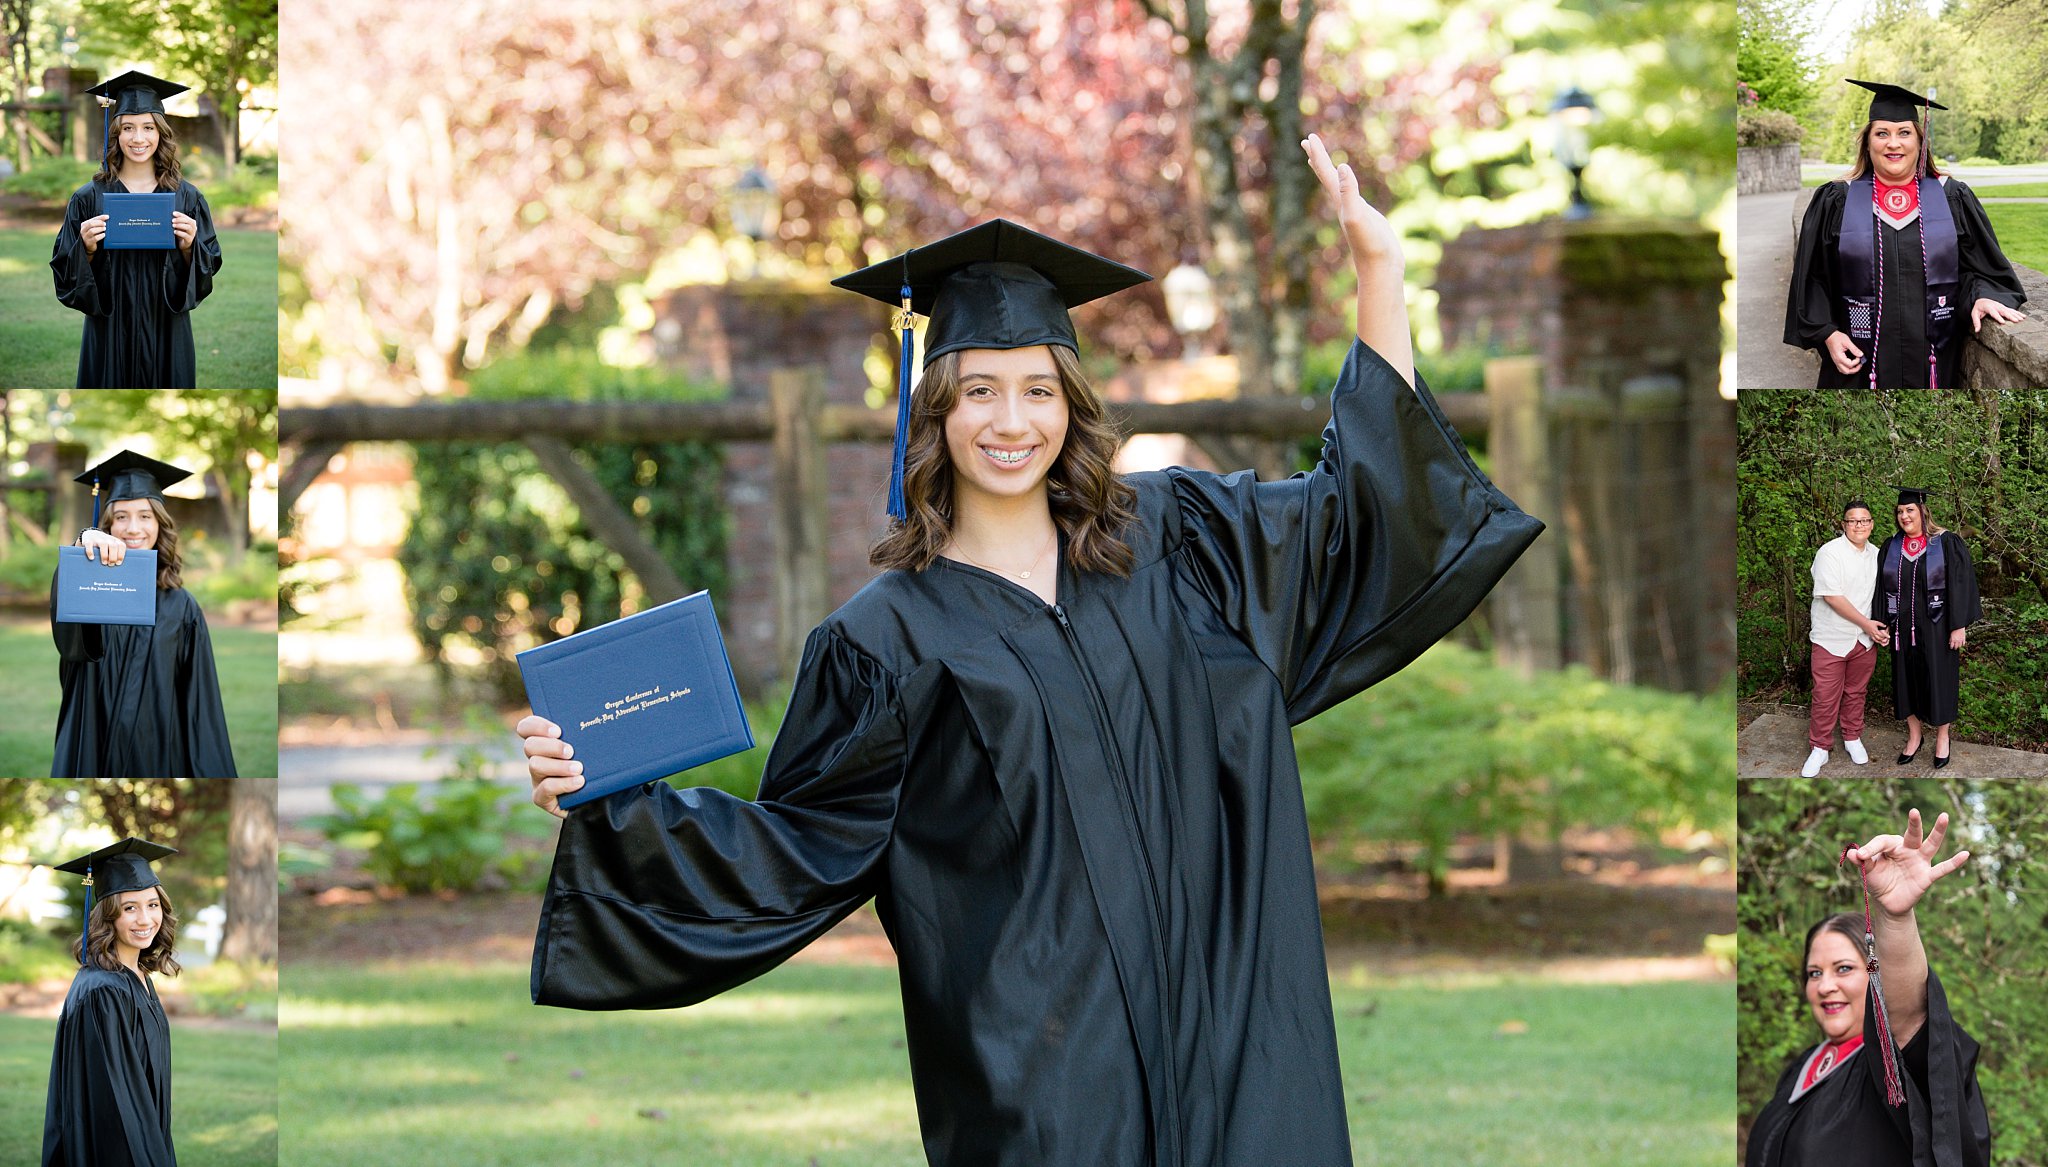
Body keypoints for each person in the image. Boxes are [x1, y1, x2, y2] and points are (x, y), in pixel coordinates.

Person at [518, 134, 1543, 1165]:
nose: (1011, 422)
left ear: (1072, 405)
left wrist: (1378, 269)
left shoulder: (1181, 545)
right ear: (934, 410)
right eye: (979, 392)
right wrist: (601, 795)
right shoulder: (883, 641)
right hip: (1041, 1076)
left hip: (1236, 1036)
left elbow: (1366, 512)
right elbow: (792, 848)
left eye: (1038, 390)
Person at [1745, 809, 1988, 1166]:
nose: (1826, 985)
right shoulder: (1801, 1069)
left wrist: (1895, 918)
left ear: (1875, 975)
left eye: (1843, 969)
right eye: (1814, 973)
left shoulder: (1893, 1070)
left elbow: (1905, 1016)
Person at [1784, 79, 2027, 389]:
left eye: (1904, 133)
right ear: (1868, 142)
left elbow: (1979, 269)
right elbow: (1812, 277)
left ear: (1919, 142)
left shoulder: (1952, 197)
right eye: (1881, 133)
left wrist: (1983, 297)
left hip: (1932, 365)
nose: (1893, 143)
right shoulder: (1836, 200)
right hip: (1856, 364)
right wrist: (1827, 334)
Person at [52, 450, 237, 778]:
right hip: (91, 746)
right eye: (120, 516)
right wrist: (83, 542)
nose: (132, 528)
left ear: (159, 524)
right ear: (107, 525)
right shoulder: (90, 591)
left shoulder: (183, 608)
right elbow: (69, 640)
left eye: (145, 516)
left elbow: (199, 706)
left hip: (159, 754)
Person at [48, 70, 222, 389]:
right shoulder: (88, 198)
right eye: (128, 127)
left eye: (148, 127)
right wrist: (84, 248)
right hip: (108, 331)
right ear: (115, 133)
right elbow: (64, 274)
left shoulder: (188, 198)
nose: (138, 139)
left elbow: (207, 270)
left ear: (161, 132)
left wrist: (189, 247)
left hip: (166, 329)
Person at [42, 836, 182, 1167]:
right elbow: (114, 1105)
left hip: (147, 1136)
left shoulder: (138, 977)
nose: (145, 920)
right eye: (129, 908)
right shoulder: (104, 992)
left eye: (152, 905)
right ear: (109, 916)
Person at [1873, 487, 1977, 769]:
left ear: (1922, 511)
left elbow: (1960, 584)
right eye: (1900, 511)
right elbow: (1881, 590)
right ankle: (1915, 735)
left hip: (1937, 627)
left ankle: (1943, 737)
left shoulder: (1944, 543)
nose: (1904, 516)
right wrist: (1881, 624)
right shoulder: (1892, 546)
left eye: (1910, 510)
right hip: (1901, 630)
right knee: (1905, 681)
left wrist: (1958, 626)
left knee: (1939, 679)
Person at [1802, 499, 1887, 776]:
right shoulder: (1830, 553)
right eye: (1852, 521)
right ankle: (1820, 748)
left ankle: (1851, 737)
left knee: (1856, 692)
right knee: (1825, 695)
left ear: (1871, 524)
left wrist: (1882, 628)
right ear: (1843, 524)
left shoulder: (1877, 554)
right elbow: (1832, 596)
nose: (1858, 525)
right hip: (1831, 637)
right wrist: (1868, 624)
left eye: (1864, 520)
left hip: (1864, 641)